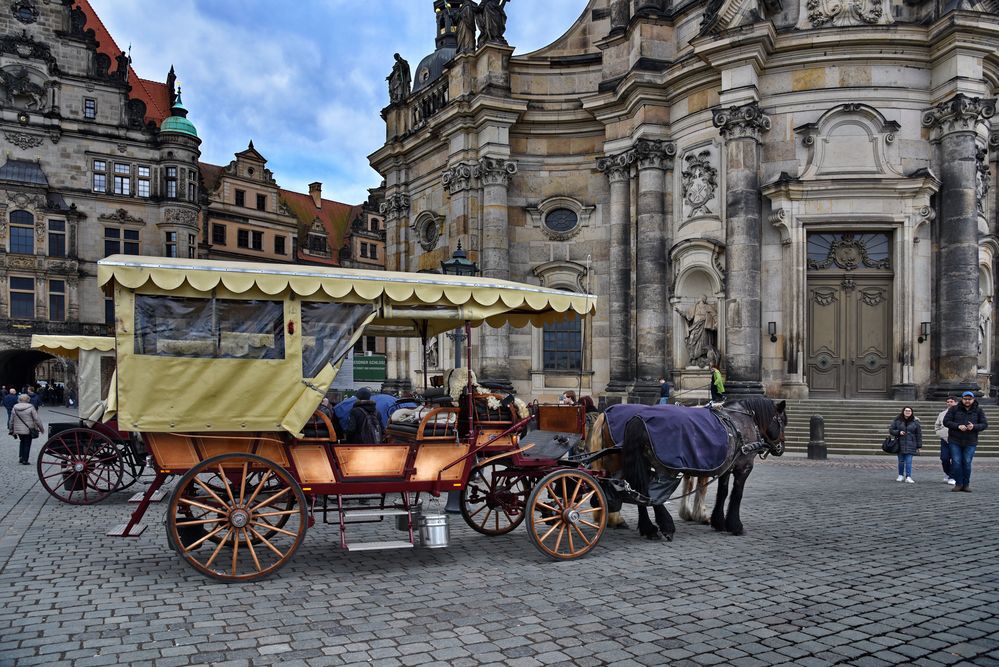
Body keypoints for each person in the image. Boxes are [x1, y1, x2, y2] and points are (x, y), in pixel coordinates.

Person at [943, 391, 988, 492]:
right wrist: (958, 426)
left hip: (970, 441)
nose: (967, 401)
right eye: (965, 399)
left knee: (967, 462)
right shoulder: (954, 409)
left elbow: (984, 424)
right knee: (956, 462)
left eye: (969, 399)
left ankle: (966, 484)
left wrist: (974, 427)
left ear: (973, 399)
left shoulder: (979, 410)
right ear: (962, 399)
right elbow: (946, 422)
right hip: (955, 440)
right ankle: (958, 484)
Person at [889, 406, 922, 483]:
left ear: (912, 412)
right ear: (903, 411)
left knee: (909, 461)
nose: (908, 412)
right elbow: (891, 430)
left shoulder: (915, 421)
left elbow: (919, 434)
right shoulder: (897, 420)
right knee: (901, 461)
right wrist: (898, 432)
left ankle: (908, 476)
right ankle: (900, 475)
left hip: (911, 443)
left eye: (909, 411)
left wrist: (919, 446)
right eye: (906, 411)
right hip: (900, 443)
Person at [10, 394, 44, 465]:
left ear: (19, 399)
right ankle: (25, 460)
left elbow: (11, 420)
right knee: (27, 444)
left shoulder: (15, 407)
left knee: (22, 441)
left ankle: (21, 457)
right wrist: (41, 428)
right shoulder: (31, 407)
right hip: (29, 429)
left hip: (18, 429)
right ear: (28, 400)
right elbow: (37, 419)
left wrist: (11, 429)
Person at [934, 396, 957, 485]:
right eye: (948, 402)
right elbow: (937, 426)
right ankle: (948, 473)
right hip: (945, 440)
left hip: (956, 440)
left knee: (955, 459)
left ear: (956, 402)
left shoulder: (960, 413)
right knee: (944, 458)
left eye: (951, 401)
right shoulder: (942, 414)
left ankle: (952, 477)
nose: (949, 403)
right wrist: (940, 433)